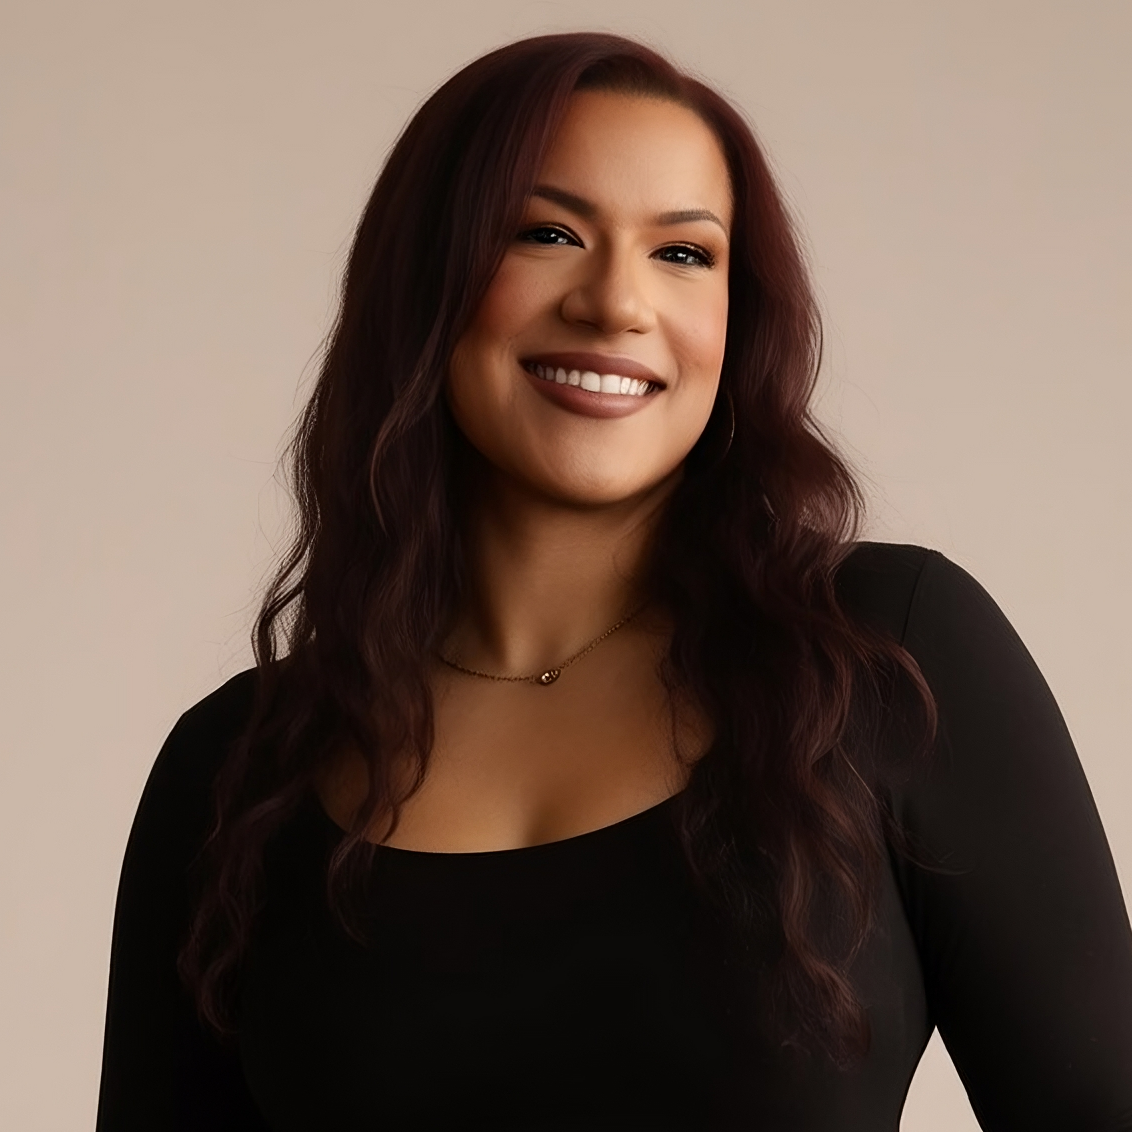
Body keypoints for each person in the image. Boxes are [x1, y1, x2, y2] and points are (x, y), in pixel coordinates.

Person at [96, 32, 1132, 1131]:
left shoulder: (889, 657)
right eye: (547, 233)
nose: (616, 304)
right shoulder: (233, 774)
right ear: (425, 283)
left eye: (683, 254)